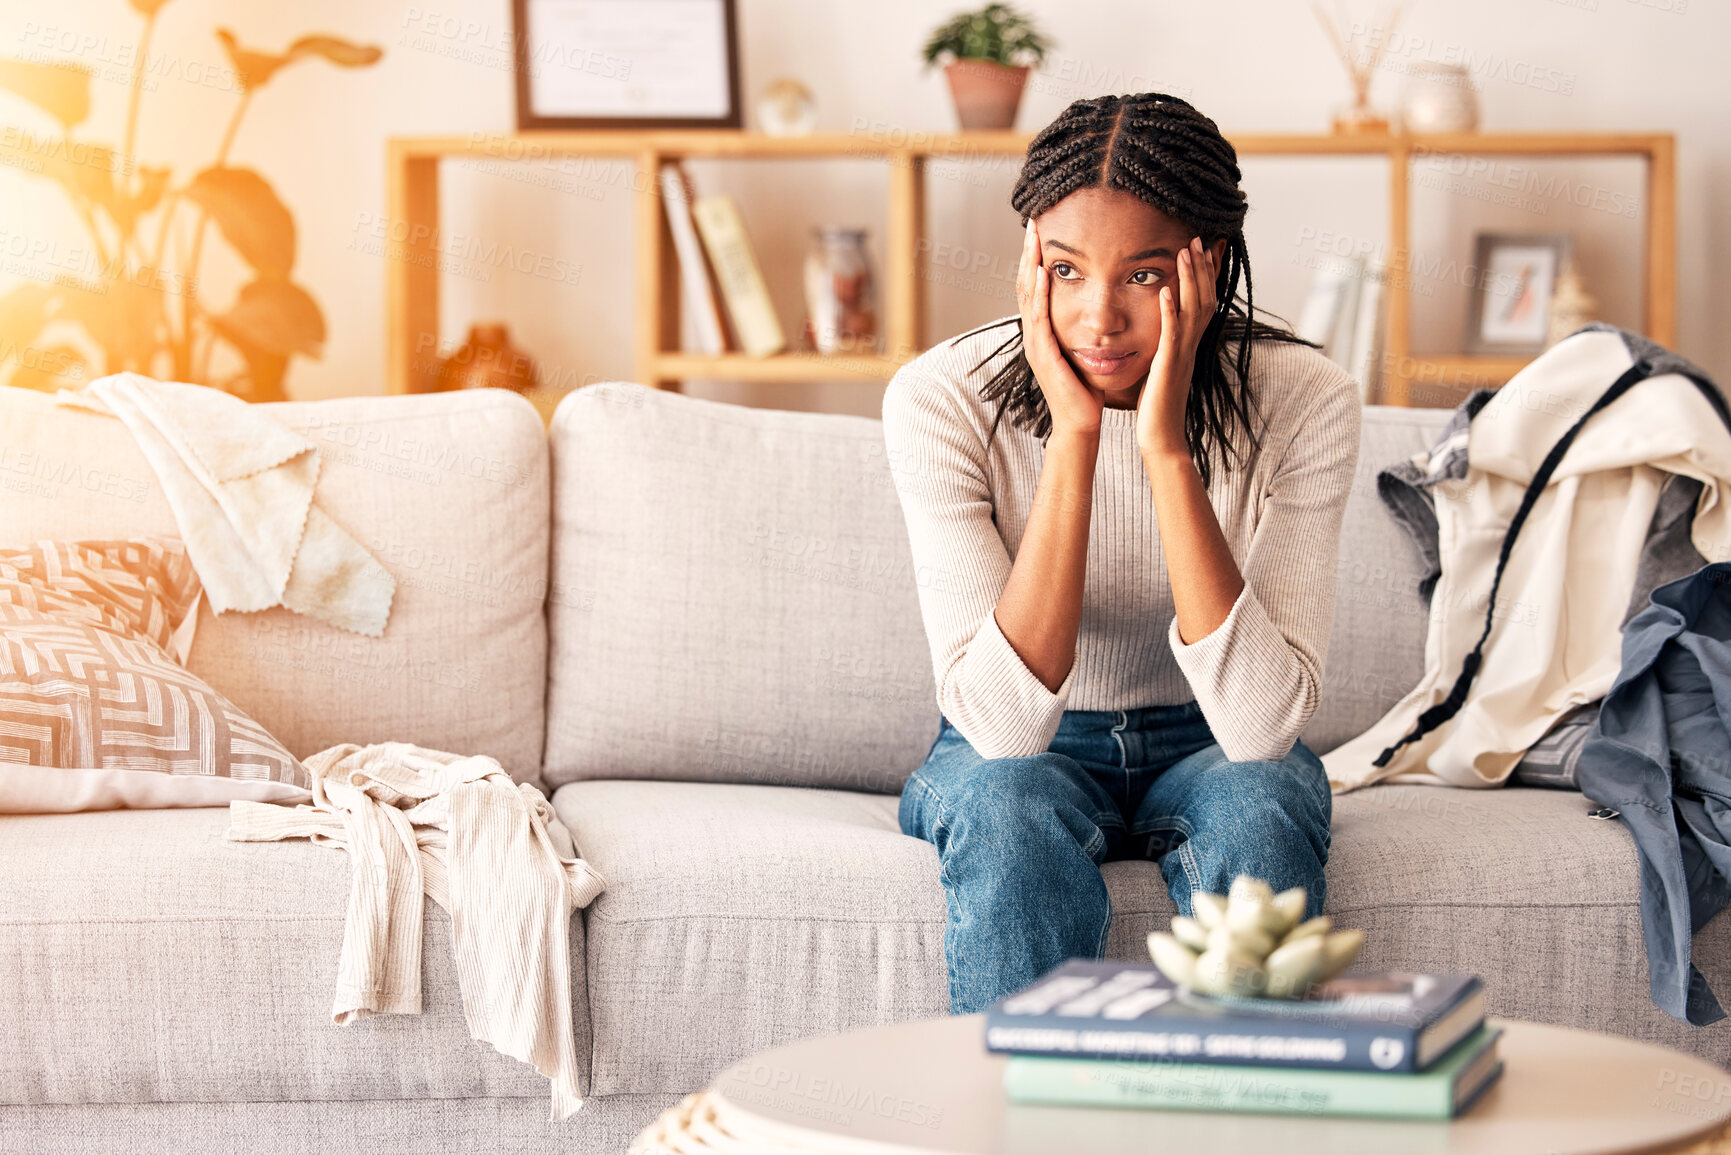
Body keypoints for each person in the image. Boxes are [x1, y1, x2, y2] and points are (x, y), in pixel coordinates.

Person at [880, 91, 1362, 1016]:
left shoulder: (1306, 398)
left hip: (1209, 738)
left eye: (1142, 275)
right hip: (1028, 745)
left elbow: (1258, 730)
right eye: (1065, 269)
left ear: (1208, 262)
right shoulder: (941, 397)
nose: (1097, 317)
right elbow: (1001, 732)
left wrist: (1165, 449)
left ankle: (1255, 1089)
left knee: (1259, 808)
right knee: (1005, 806)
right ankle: (1018, 1099)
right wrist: (1074, 438)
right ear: (1029, 259)